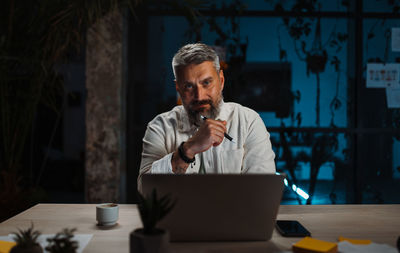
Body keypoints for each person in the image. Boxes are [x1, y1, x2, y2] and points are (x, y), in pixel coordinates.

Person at [138, 43, 275, 190]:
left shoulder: (248, 122)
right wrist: (188, 150)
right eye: (189, 86)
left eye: (207, 83)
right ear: (178, 88)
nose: (199, 96)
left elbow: (262, 191)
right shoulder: (160, 127)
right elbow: (145, 192)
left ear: (221, 81)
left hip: (234, 213)